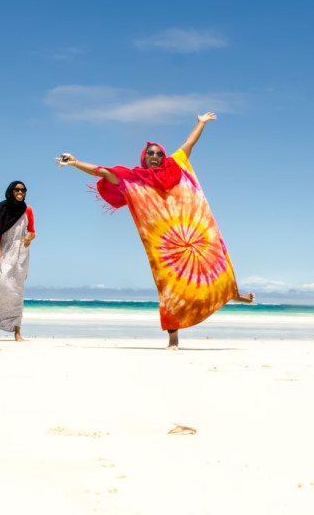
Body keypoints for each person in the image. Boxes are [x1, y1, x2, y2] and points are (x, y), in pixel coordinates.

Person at [57, 112, 253, 349]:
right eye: (150, 153)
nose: (156, 156)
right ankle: (173, 338)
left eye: (159, 153)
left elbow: (189, 143)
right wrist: (75, 162)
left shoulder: (176, 165)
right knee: (170, 287)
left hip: (193, 231)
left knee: (214, 259)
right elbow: (101, 171)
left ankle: (231, 293)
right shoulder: (134, 178)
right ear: (143, 158)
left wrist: (200, 123)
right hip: (165, 244)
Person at [0, 181, 36, 341]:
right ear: (11, 191)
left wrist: (29, 237)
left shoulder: (28, 210)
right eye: (17, 189)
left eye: (23, 190)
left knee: (16, 291)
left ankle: (17, 332)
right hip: (3, 251)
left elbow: (32, 231)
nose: (20, 192)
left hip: (20, 253)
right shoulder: (1, 209)